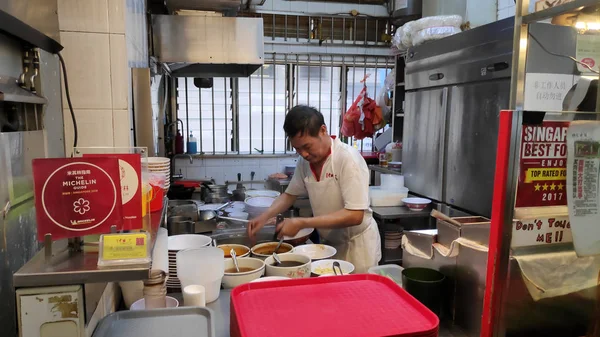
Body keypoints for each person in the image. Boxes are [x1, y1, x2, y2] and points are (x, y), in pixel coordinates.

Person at [248, 105, 381, 273]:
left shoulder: (347, 159)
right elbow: (289, 195)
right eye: (297, 149)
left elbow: (355, 215)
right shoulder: (305, 163)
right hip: (329, 247)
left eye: (307, 146)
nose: (303, 154)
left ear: (322, 130)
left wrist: (301, 222)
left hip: (357, 248)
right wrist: (264, 216)